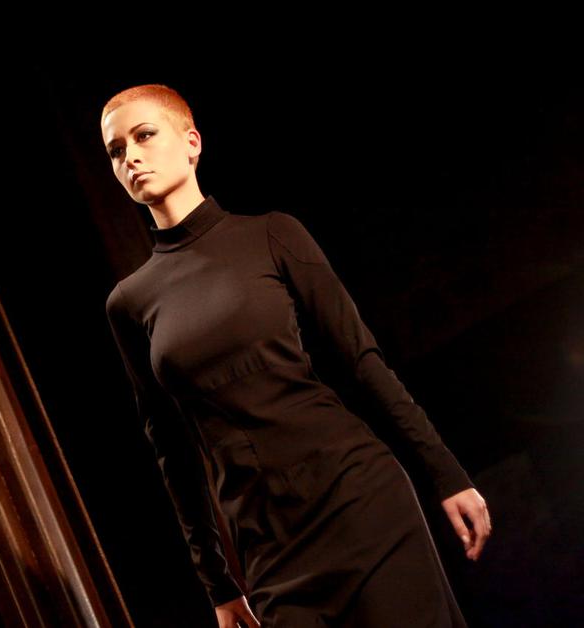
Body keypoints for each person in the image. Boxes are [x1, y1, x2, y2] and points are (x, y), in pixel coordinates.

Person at [101, 84, 492, 627]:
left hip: (358, 500)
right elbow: (170, 447)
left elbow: (361, 362)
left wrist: (445, 473)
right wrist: (217, 584)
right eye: (116, 150)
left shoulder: (272, 235)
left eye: (144, 135)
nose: (131, 157)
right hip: (268, 546)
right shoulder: (129, 302)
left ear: (192, 143)